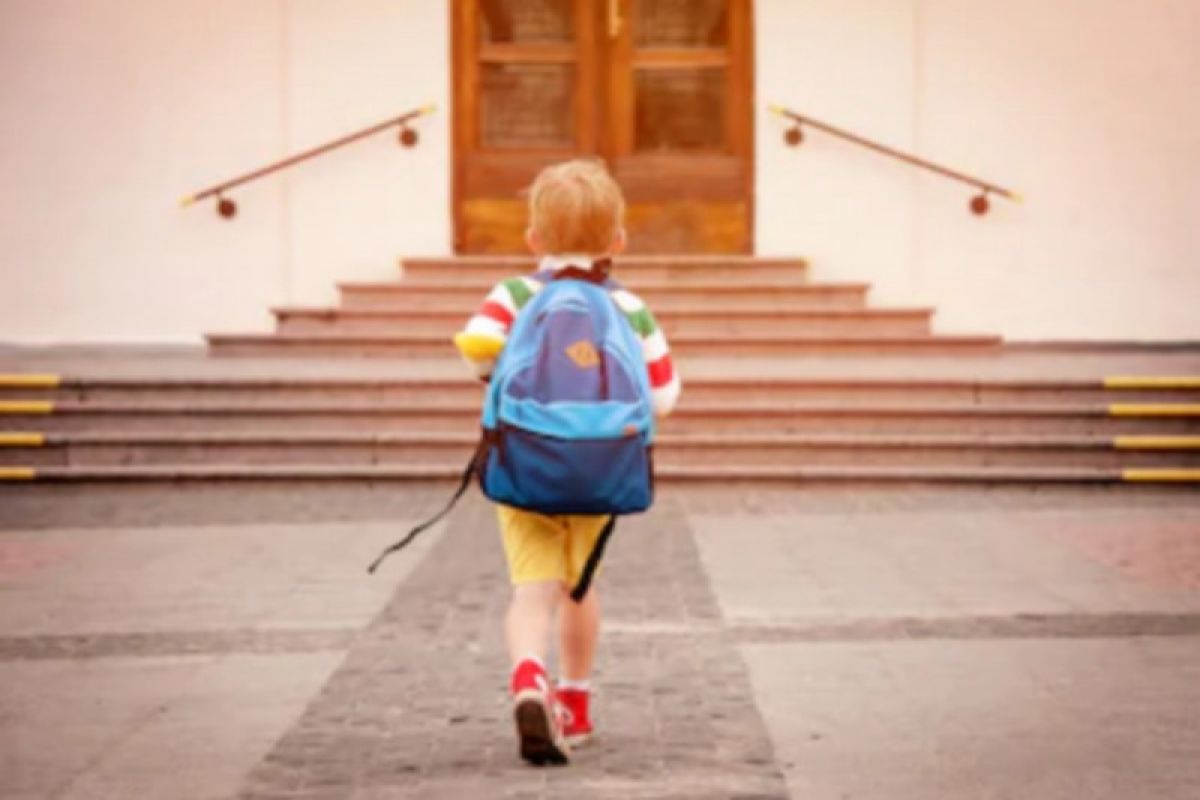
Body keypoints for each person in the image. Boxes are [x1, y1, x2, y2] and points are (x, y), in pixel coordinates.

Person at [453, 159, 681, 765]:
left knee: (531, 590)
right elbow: (662, 394)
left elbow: (476, 347)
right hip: (601, 467)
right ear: (618, 241)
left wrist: (502, 379)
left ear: (533, 240)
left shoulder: (515, 294)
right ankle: (575, 707)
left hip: (525, 464)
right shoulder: (628, 305)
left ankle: (530, 679)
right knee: (579, 586)